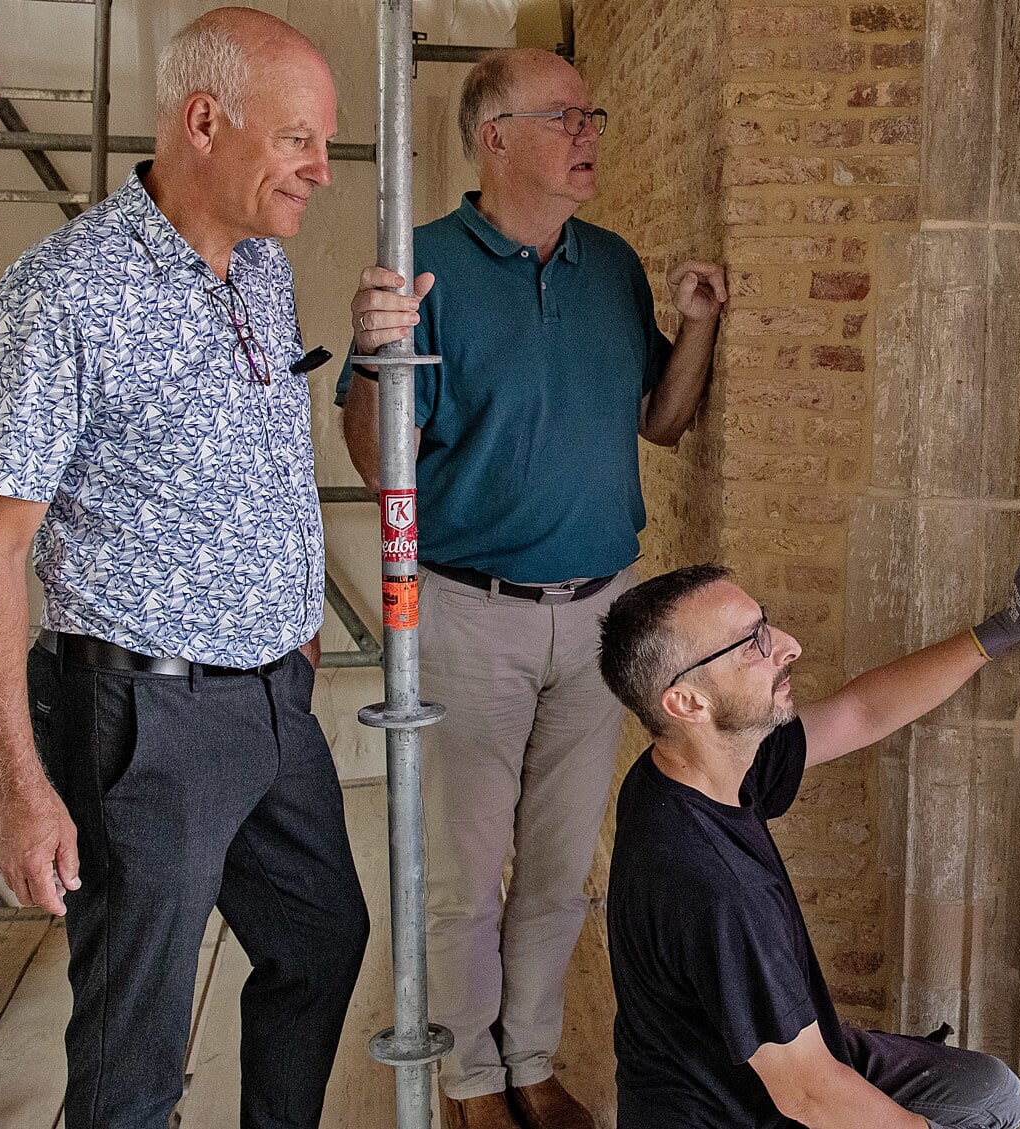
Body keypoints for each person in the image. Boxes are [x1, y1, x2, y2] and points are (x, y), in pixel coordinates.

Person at [0, 10, 367, 1129]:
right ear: (203, 121)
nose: (321, 172)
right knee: (135, 1038)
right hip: (146, 714)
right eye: (299, 143)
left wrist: (290, 614)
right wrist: (16, 780)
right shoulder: (65, 292)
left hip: (274, 695)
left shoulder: (261, 271)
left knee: (323, 940)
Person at [339, 48, 726, 1129]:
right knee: (466, 875)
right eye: (564, 116)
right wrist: (377, 358)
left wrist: (695, 325)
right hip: (468, 610)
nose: (588, 130)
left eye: (590, 111)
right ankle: (466, 1082)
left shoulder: (611, 265)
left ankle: (531, 1062)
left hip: (603, 613)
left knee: (559, 868)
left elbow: (663, 421)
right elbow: (381, 462)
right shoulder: (417, 267)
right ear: (493, 134)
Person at [596, 546, 1020, 1129]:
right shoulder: (714, 887)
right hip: (744, 1112)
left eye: (765, 621)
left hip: (765, 1069)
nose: (788, 644)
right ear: (688, 701)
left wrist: (1001, 629)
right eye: (752, 643)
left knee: (986, 1094)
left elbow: (861, 710)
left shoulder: (690, 763)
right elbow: (808, 1095)